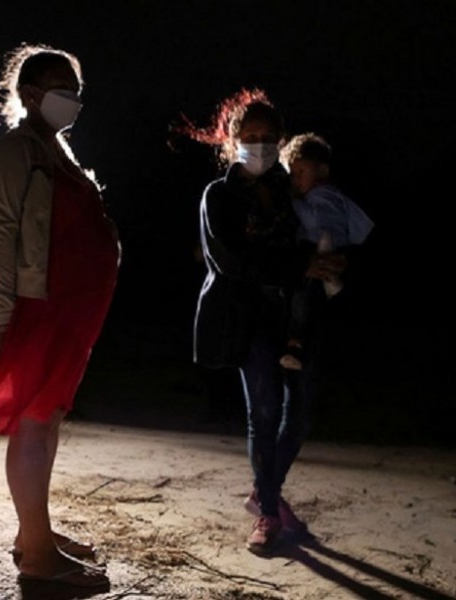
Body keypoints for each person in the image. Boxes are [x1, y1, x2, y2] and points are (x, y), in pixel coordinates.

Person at [0, 44, 119, 593]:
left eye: (74, 88)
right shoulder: (15, 152)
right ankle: (38, 557)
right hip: (38, 310)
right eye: (57, 86)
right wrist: (5, 319)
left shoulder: (56, 149)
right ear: (28, 94)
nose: (69, 99)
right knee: (33, 419)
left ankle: (36, 533)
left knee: (46, 420)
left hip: (66, 313)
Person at [175, 88, 346, 554]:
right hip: (246, 321)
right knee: (264, 413)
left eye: (269, 137)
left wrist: (332, 261)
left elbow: (319, 241)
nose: (261, 144)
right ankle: (269, 513)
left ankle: (263, 491)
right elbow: (231, 260)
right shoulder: (218, 196)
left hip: (293, 320)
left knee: (301, 415)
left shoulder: (292, 196)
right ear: (233, 140)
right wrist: (298, 265)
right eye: (250, 136)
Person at [278, 132, 374, 371]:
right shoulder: (327, 196)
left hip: (321, 248)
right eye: (292, 174)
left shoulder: (324, 196)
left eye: (301, 172)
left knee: (304, 295)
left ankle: (295, 342)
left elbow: (314, 222)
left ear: (322, 171)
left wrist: (293, 201)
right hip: (327, 248)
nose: (295, 179)